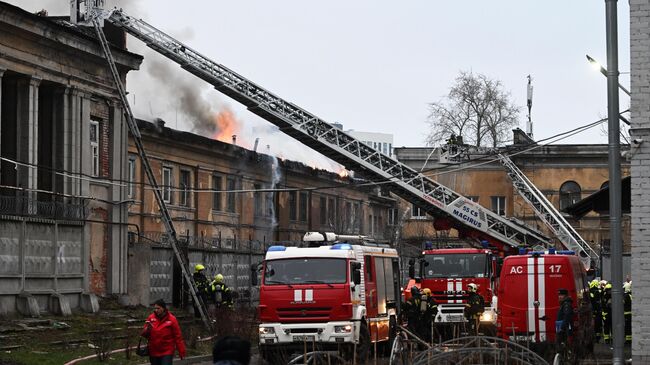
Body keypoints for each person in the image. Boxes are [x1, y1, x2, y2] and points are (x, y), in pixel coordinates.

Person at [141, 299, 186, 365]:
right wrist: (147, 329)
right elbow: (144, 334)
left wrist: (181, 351)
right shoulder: (151, 318)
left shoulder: (172, 319)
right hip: (154, 351)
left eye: (158, 308)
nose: (156, 310)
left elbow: (178, 336)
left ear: (163, 308)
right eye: (155, 308)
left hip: (167, 351)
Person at [555, 288, 574, 358]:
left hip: (564, 330)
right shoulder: (564, 304)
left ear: (566, 296)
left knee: (563, 346)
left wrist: (562, 328)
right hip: (562, 328)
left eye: (562, 295)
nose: (560, 296)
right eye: (559, 295)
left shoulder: (566, 305)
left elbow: (567, 317)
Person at [588, 279, 603, 343]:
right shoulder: (598, 292)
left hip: (593, 312)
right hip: (597, 312)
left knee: (594, 325)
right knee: (598, 325)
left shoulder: (591, 292)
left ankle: (595, 338)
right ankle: (597, 338)